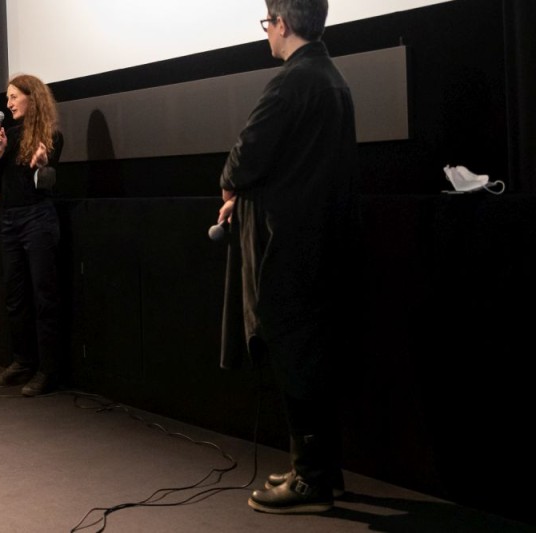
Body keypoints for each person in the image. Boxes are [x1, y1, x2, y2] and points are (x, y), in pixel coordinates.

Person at [217, 0, 356, 514]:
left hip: (289, 245)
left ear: (283, 23)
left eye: (267, 23)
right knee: (312, 357)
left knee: (296, 360)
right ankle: (318, 468)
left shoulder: (292, 81)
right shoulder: (330, 78)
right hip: (321, 239)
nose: (266, 34)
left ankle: (310, 481)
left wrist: (230, 186)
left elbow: (246, 153)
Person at [0, 74, 64, 396]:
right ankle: (22, 361)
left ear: (32, 98)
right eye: (8, 98)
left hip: (37, 219)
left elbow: (46, 183)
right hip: (10, 220)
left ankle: (48, 370)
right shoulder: (9, 135)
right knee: (15, 296)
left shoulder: (51, 135)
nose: (8, 104)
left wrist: (43, 164)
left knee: (43, 296)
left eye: (14, 97)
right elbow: (3, 180)